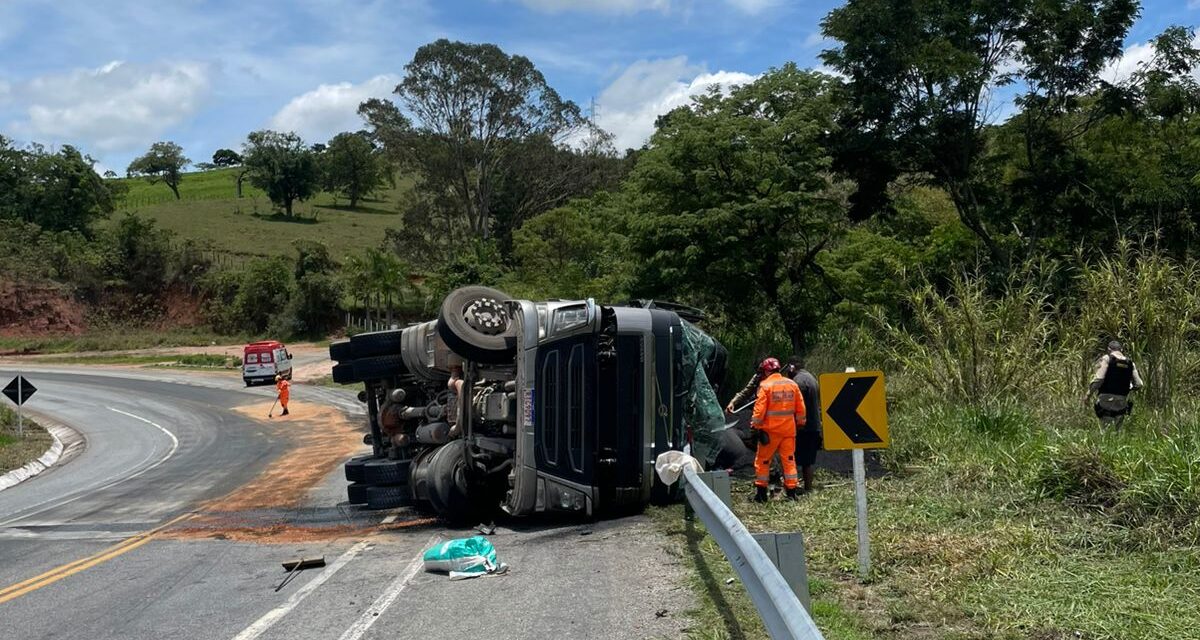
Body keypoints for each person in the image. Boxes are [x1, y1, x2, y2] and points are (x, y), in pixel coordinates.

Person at [750, 357, 806, 503]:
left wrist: (755, 426)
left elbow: (759, 409)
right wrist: (800, 422)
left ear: (766, 371)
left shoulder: (765, 385)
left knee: (763, 461)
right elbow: (800, 407)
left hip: (770, 432)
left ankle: (761, 495)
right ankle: (792, 493)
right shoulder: (792, 384)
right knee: (789, 460)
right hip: (788, 431)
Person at [784, 358, 821, 493]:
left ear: (792, 367)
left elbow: (793, 404)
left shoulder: (797, 382)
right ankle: (808, 488)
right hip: (814, 425)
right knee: (808, 461)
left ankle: (794, 488)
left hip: (802, 427)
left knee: (791, 458)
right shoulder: (811, 378)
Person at [1088, 340, 1144, 429]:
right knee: (1117, 432)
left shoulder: (1107, 359)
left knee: (1106, 432)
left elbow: (1099, 379)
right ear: (1121, 349)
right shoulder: (1130, 363)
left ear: (1109, 349)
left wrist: (1088, 395)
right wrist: (1129, 388)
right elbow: (1139, 384)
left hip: (1106, 399)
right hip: (1122, 400)